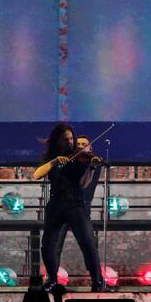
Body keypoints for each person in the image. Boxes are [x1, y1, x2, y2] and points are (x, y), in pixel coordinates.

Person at [33, 123, 103, 292]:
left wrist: (91, 167)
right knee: (48, 244)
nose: (70, 142)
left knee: (87, 241)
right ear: (58, 141)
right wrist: (55, 161)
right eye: (66, 139)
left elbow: (84, 183)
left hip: (75, 203)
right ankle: (52, 280)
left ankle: (97, 281)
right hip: (56, 203)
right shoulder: (52, 157)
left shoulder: (79, 158)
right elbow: (36, 174)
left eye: (72, 138)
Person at [52, 136, 104, 272]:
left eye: (84, 144)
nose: (81, 146)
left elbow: (84, 185)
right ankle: (52, 277)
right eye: (78, 144)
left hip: (81, 206)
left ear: (90, 148)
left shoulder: (92, 163)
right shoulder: (68, 162)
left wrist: (89, 165)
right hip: (64, 205)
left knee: (88, 244)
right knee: (56, 244)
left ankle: (96, 278)